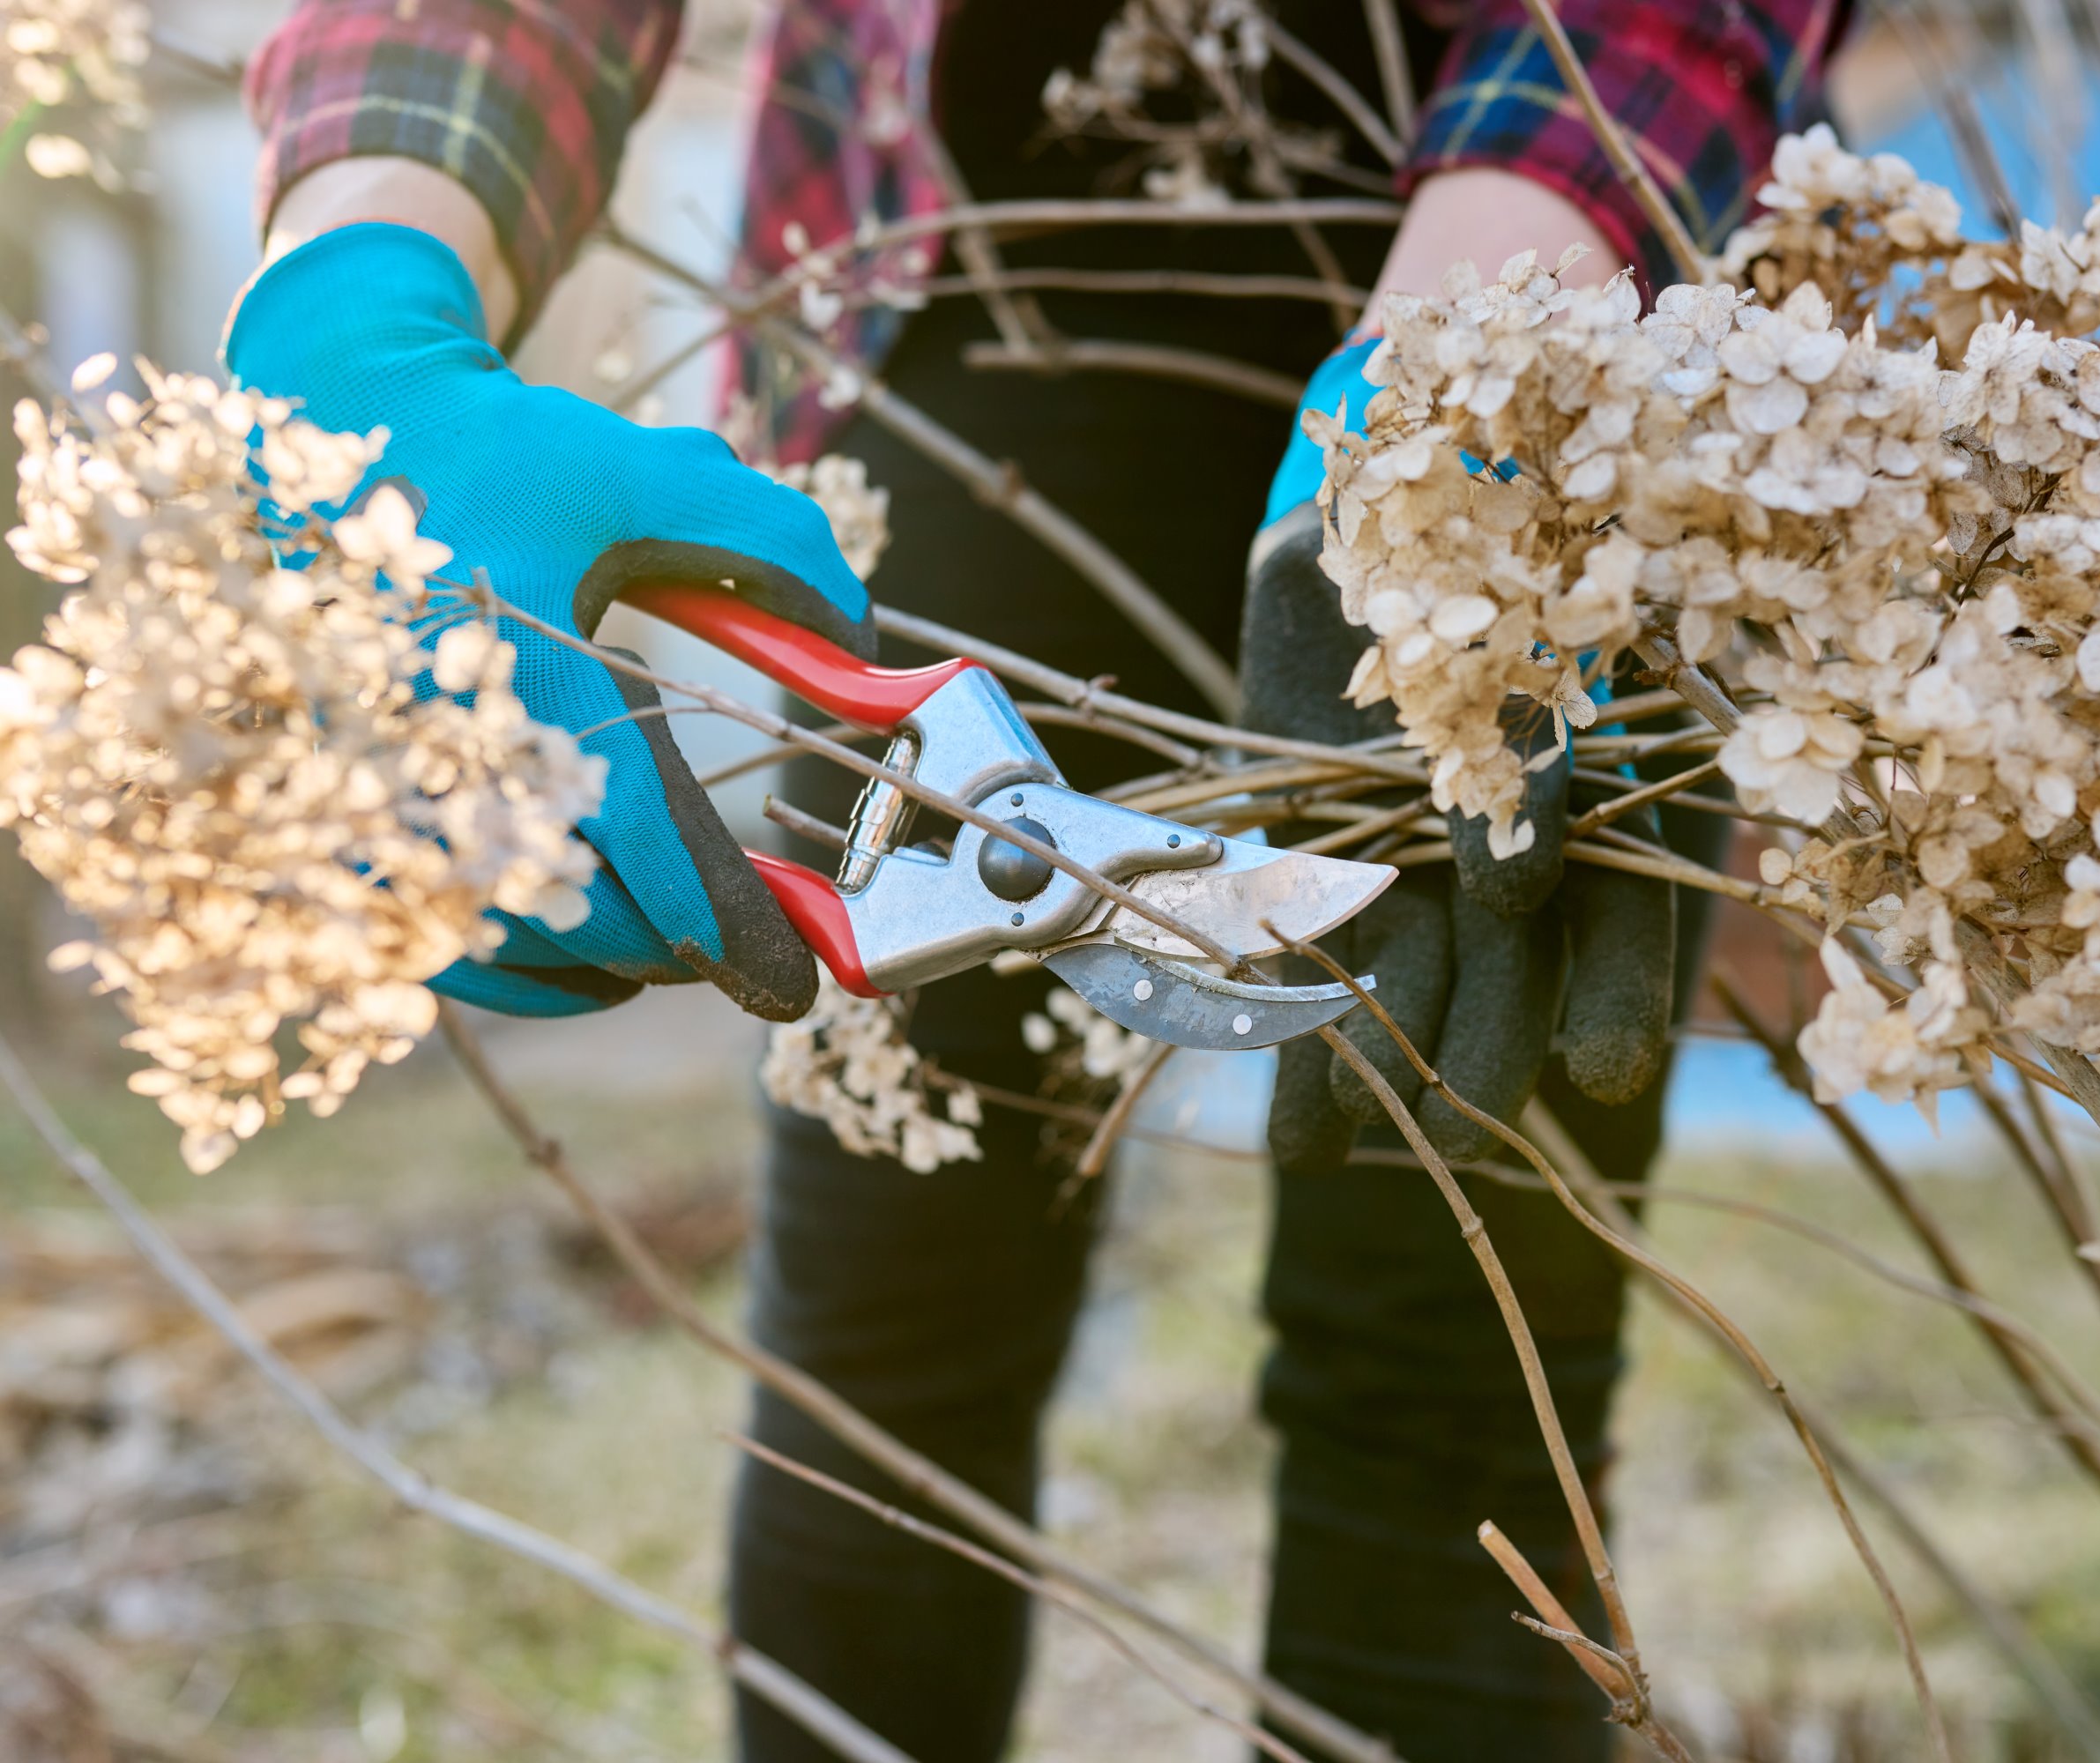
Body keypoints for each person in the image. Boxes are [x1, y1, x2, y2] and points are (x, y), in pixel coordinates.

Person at [230, 3, 1845, 1757]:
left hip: (1567, 285)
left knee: (1455, 1351)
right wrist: (357, 301)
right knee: (894, 1328)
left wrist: (1486, 339)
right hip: (980, 257)